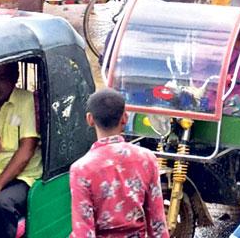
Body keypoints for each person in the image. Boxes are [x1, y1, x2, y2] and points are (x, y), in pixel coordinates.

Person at [70, 89, 169, 238]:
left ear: (90, 119)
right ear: (125, 118)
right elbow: (158, 226)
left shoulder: (81, 169)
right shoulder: (147, 159)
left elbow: (83, 233)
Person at [0, 63, 43, 238]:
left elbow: (27, 149)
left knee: (0, 204)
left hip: (22, 176)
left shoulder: (25, 100)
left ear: (15, 77)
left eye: (2, 78)